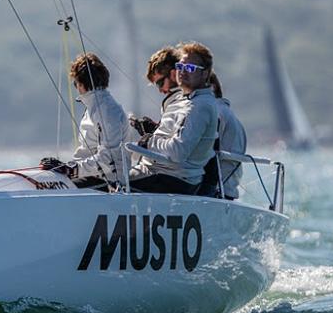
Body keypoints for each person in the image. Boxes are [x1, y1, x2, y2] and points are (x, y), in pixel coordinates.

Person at [129, 42, 218, 194]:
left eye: (190, 68)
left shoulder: (199, 107)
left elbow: (178, 151)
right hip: (167, 175)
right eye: (180, 67)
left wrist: (148, 141)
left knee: (108, 183)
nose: (183, 72)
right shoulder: (190, 101)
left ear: (205, 74)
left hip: (171, 179)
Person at [39, 52, 129, 190]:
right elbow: (85, 154)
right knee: (44, 179)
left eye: (75, 83)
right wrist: (64, 167)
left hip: (111, 184)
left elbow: (109, 158)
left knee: (49, 188)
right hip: (92, 177)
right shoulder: (94, 107)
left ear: (81, 84)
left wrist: (71, 170)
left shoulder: (108, 110)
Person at [204, 72, 247, 200]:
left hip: (214, 192)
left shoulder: (215, 113)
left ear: (212, 88)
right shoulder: (228, 114)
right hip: (227, 191)